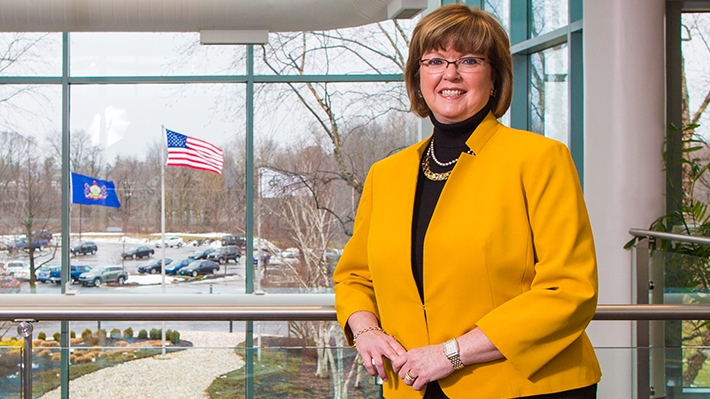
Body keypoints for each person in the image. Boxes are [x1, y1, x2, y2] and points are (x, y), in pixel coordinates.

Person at [333, 4, 601, 399]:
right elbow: (355, 277)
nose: (450, 74)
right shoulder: (386, 174)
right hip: (413, 385)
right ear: (418, 76)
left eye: (469, 60)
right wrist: (366, 330)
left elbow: (569, 289)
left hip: (527, 388)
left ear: (495, 77)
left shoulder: (540, 159)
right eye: (435, 60)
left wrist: (451, 354)